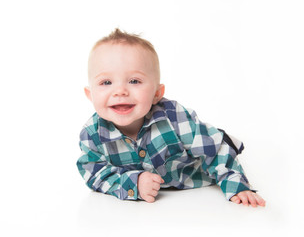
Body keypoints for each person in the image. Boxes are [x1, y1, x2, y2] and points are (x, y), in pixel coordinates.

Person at [77, 28, 266, 207]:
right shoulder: (93, 134)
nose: (120, 91)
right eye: (106, 82)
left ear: (157, 93)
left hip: (196, 177)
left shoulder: (173, 117)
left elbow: (216, 150)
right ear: (90, 94)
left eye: (134, 81)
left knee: (216, 142)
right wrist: (134, 183)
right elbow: (94, 173)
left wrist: (236, 186)